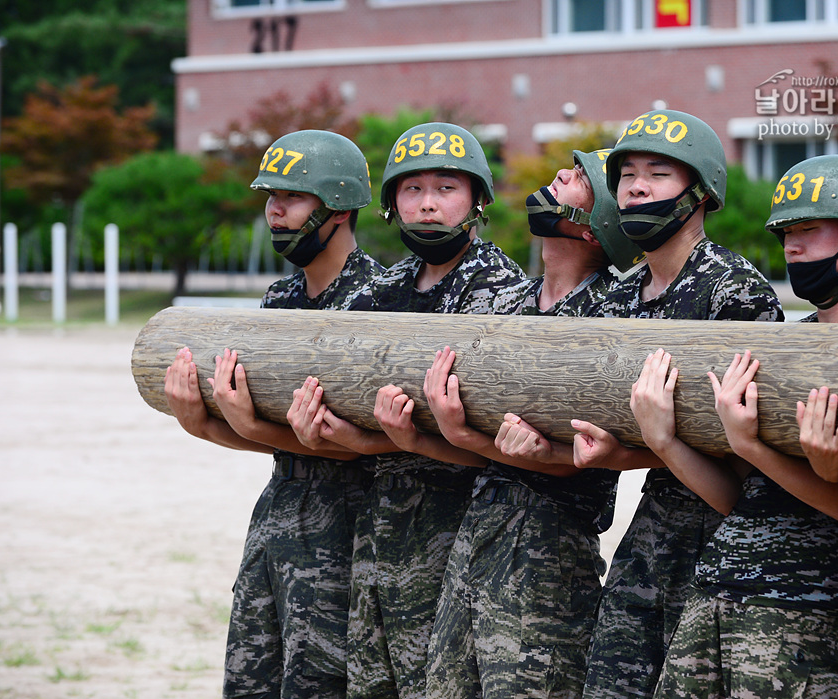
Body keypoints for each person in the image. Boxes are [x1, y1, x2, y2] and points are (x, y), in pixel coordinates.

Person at [289, 122, 526, 699]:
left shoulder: (502, 290)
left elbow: (498, 440)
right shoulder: (378, 293)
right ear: (392, 204)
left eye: (446, 188)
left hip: (461, 530)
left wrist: (384, 438)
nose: (427, 205)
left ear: (476, 200)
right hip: (379, 526)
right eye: (412, 189)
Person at [649, 154, 838, 698]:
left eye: (809, 229)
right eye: (786, 232)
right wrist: (664, 441)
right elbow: (738, 498)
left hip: (804, 614)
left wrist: (751, 445)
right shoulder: (785, 341)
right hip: (718, 591)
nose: (793, 246)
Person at [164, 129, 384, 699]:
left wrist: (250, 426)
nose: (276, 210)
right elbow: (277, 440)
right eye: (271, 196)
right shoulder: (279, 301)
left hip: (350, 525)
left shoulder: (382, 299)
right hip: (279, 512)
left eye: (293, 197)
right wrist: (204, 423)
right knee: (251, 679)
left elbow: (372, 442)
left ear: (338, 208)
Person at [575, 109, 784, 699]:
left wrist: (644, 447)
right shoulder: (618, 294)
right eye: (627, 174)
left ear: (699, 193)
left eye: (658, 172)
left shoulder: (734, 290)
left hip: (726, 547)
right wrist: (620, 451)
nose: (636, 186)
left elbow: (748, 468)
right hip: (650, 538)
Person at [420, 148, 642, 699]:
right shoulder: (501, 304)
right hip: (476, 533)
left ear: (597, 229)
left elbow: (598, 455)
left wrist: (519, 450)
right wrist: (461, 433)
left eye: (579, 182)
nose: (560, 177)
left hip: (549, 549)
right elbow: (479, 441)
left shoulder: (613, 316)